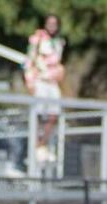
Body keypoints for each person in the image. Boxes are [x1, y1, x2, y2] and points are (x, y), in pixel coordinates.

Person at [24, 14, 65, 163]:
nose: (52, 26)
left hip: (52, 82)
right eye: (49, 23)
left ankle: (42, 144)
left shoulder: (59, 42)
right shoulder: (38, 38)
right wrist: (30, 82)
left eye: (55, 23)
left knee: (54, 114)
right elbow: (29, 60)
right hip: (40, 81)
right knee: (39, 114)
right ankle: (35, 146)